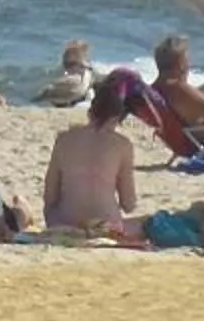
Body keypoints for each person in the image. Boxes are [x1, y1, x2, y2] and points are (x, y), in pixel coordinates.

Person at [44, 77, 141, 236]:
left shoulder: (64, 139)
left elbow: (50, 195)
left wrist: (52, 217)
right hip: (106, 225)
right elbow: (128, 204)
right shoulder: (123, 145)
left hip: (65, 222)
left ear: (90, 113)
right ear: (117, 118)